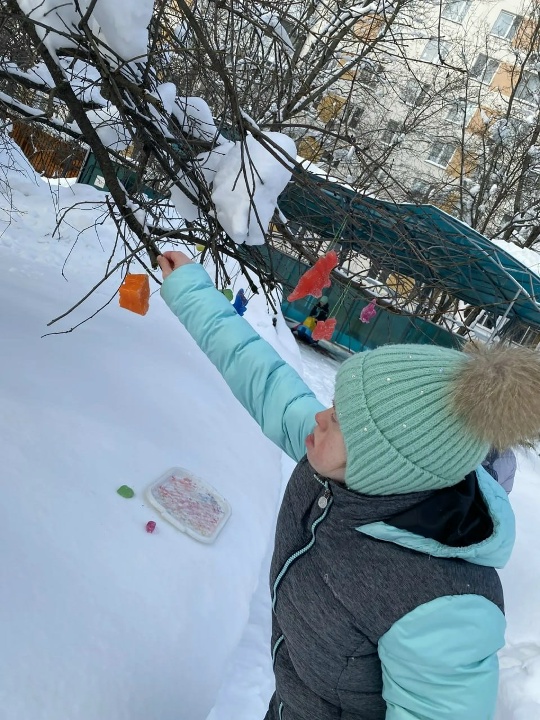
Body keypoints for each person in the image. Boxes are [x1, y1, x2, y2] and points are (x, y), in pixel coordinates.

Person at [157, 250, 540, 720]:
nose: (320, 417)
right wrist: (190, 290)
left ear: (384, 462)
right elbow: (265, 379)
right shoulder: (336, 467)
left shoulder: (443, 605)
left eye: (339, 419)